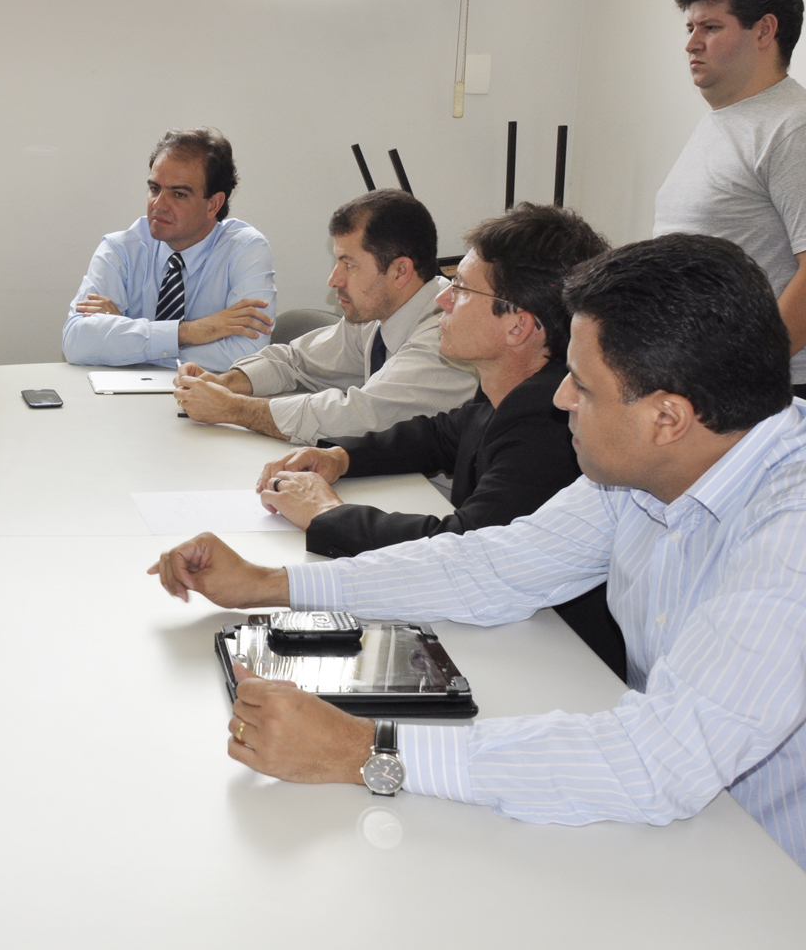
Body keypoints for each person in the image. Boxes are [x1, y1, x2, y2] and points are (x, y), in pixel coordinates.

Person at [149, 234, 806, 871]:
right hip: (688, 836)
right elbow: (493, 565)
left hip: (766, 878)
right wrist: (270, 584)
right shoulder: (649, 467)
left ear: (668, 417)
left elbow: (658, 760)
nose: (560, 398)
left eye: (582, 382)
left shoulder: (789, 541)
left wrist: (362, 748)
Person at [258, 202, 624, 678]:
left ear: (518, 325)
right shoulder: (512, 388)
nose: (441, 300)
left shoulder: (551, 419)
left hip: (561, 667)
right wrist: (341, 457)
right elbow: (441, 433)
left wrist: (329, 514)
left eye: (462, 288)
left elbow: (465, 547)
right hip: (512, 639)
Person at [174, 189, 477, 442]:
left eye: (349, 264)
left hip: (436, 498)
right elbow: (296, 360)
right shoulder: (377, 312)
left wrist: (233, 409)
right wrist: (224, 382)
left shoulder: (447, 335)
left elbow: (359, 416)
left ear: (400, 271)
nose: (334, 280)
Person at [657, 0, 806, 395]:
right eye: (690, 29)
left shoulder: (792, 127)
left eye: (711, 28)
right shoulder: (723, 121)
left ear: (764, 30)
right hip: (701, 377)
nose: (692, 44)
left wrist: (748, 375)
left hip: (762, 390)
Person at [61, 128, 275, 370]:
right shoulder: (120, 250)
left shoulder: (246, 250)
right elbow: (76, 341)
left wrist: (129, 341)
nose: (159, 205)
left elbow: (248, 355)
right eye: (154, 189)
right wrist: (188, 332)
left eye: (179, 194)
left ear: (213, 205)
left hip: (207, 403)